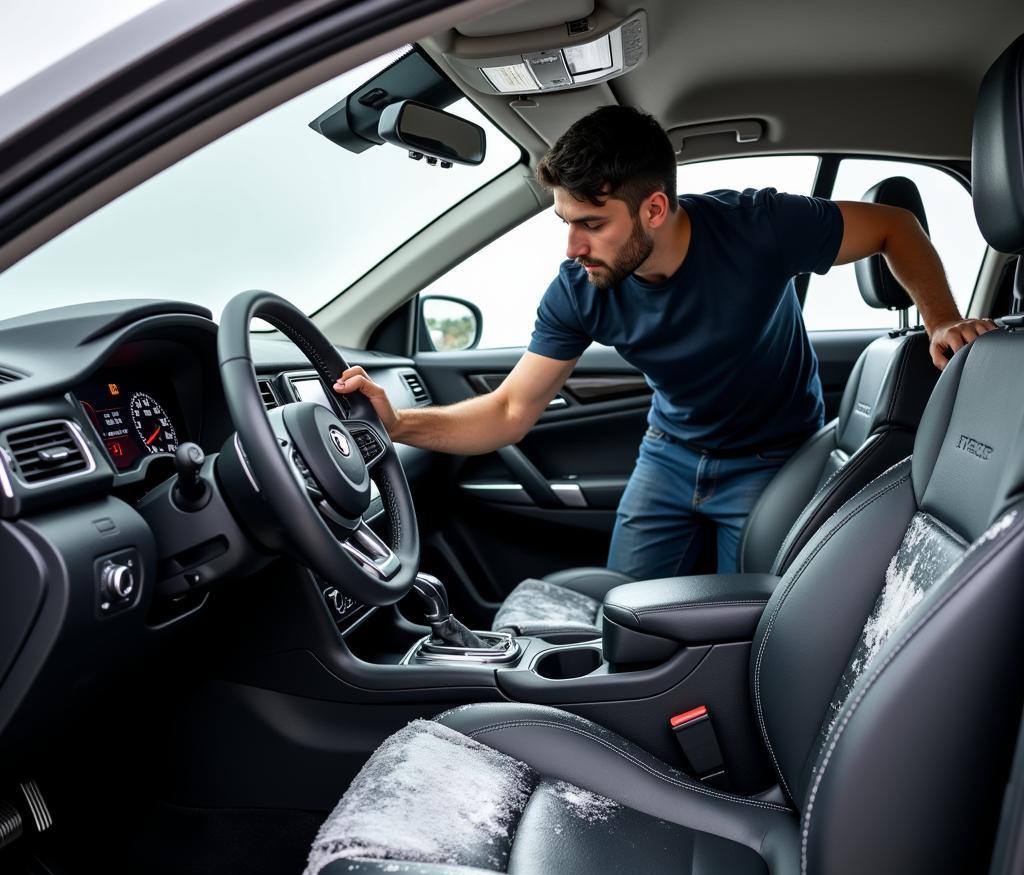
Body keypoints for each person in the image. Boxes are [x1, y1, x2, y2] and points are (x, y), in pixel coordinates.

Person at [334, 105, 996, 579]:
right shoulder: (580, 288)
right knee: (629, 613)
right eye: (567, 223)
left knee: (746, 624)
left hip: (772, 459)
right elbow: (510, 411)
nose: (573, 246)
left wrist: (940, 320)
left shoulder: (757, 227)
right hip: (669, 456)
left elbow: (893, 227)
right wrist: (398, 424)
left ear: (653, 208)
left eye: (592, 224)